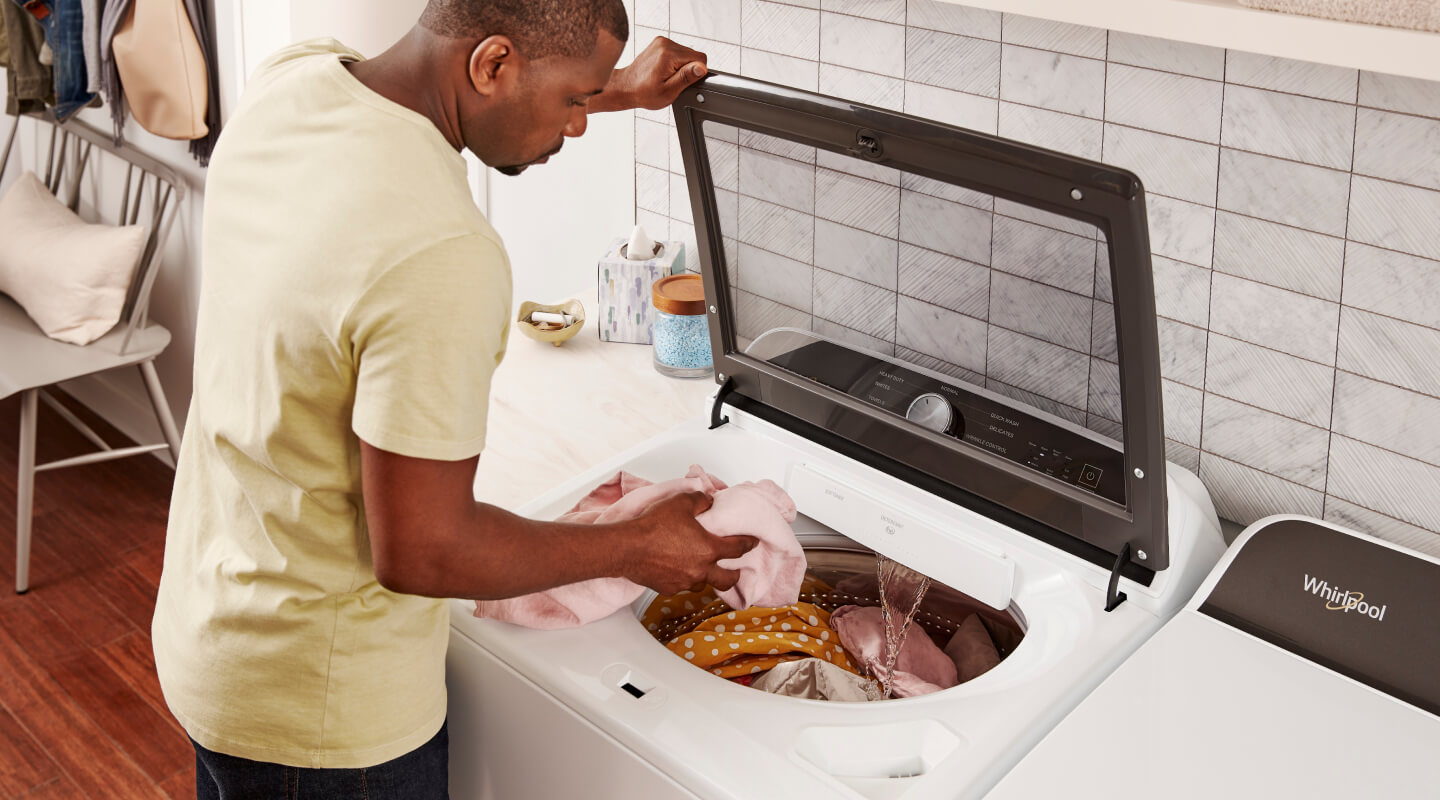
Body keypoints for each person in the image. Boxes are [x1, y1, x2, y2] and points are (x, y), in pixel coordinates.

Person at [150, 1, 747, 796]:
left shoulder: (293, 85)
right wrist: (635, 546)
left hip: (216, 636)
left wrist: (613, 91)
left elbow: (464, 86)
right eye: (574, 101)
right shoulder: (444, 251)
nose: (576, 127)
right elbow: (424, 551)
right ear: (494, 65)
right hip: (329, 720)